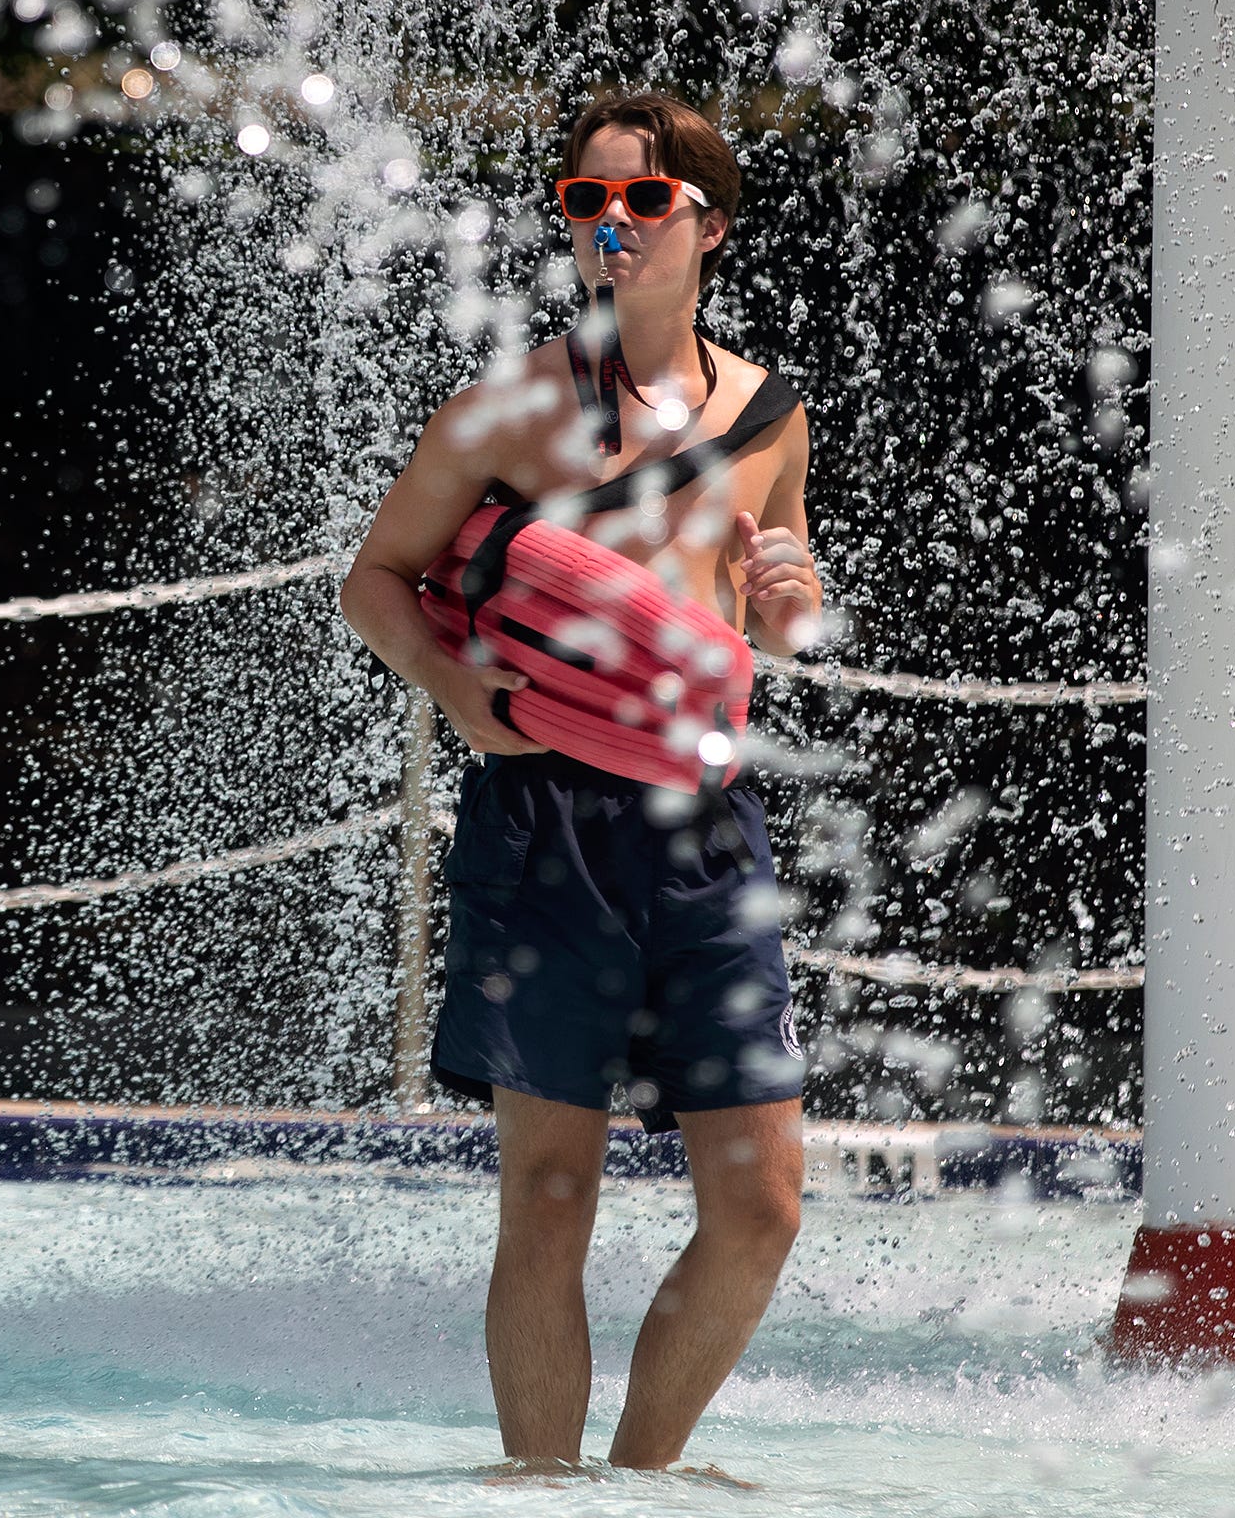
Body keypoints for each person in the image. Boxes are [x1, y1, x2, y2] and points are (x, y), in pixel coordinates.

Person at [338, 89, 823, 1473]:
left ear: (708, 225)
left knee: (762, 1205)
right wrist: (452, 691)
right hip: (542, 812)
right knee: (550, 1195)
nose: (612, 226)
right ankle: (541, 1496)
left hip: (705, 826)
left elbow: (775, 609)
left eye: (644, 202)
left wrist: (791, 592)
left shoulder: (773, 413)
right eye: (585, 202)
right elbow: (374, 581)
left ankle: (643, 1481)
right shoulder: (507, 410)